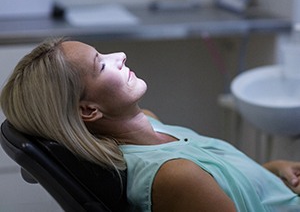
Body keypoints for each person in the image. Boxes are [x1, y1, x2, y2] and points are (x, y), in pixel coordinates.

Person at [1, 38, 300, 212]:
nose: (120, 56)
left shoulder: (153, 126)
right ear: (89, 110)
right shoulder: (175, 176)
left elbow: (225, 184)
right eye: (101, 65)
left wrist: (271, 172)